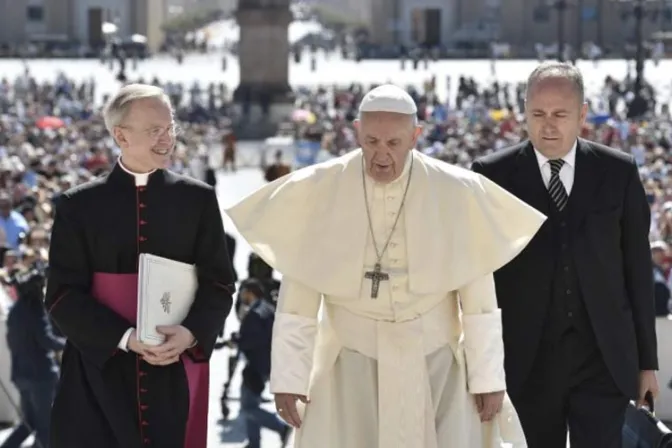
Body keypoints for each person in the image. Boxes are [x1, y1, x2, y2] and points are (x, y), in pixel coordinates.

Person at [226, 84, 546, 448]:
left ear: (415, 137)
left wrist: (488, 378)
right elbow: (298, 297)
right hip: (351, 369)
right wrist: (288, 379)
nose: (381, 155)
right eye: (372, 141)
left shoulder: (456, 190)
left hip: (436, 366)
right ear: (357, 133)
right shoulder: (320, 189)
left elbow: (479, 297)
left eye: (393, 144)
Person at [471, 62, 658, 448]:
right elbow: (478, 282)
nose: (548, 125)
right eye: (537, 114)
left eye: (560, 114)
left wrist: (647, 364)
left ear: (583, 114)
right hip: (526, 362)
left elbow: (637, 271)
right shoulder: (491, 176)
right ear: (523, 112)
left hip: (604, 361)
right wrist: (482, 370)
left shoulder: (618, 172)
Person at [45, 83, 235, 448]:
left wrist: (191, 333)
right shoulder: (78, 205)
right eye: (153, 130)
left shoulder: (198, 199)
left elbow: (220, 283)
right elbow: (60, 296)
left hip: (172, 367)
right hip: (98, 367)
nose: (167, 138)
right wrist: (127, 338)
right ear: (121, 135)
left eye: (169, 127)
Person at [2, 266, 64, 448]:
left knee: (29, 424)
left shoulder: (15, 311)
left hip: (21, 376)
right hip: (41, 377)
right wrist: (70, 344)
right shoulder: (35, 309)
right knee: (46, 427)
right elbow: (47, 340)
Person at [235, 279, 292, 448]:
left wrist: (236, 340)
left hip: (256, 366)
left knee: (248, 407)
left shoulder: (255, 314)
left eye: (244, 292)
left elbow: (252, 340)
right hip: (267, 364)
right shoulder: (268, 309)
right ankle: (254, 443)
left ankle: (281, 428)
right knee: (252, 403)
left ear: (251, 292)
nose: (242, 295)